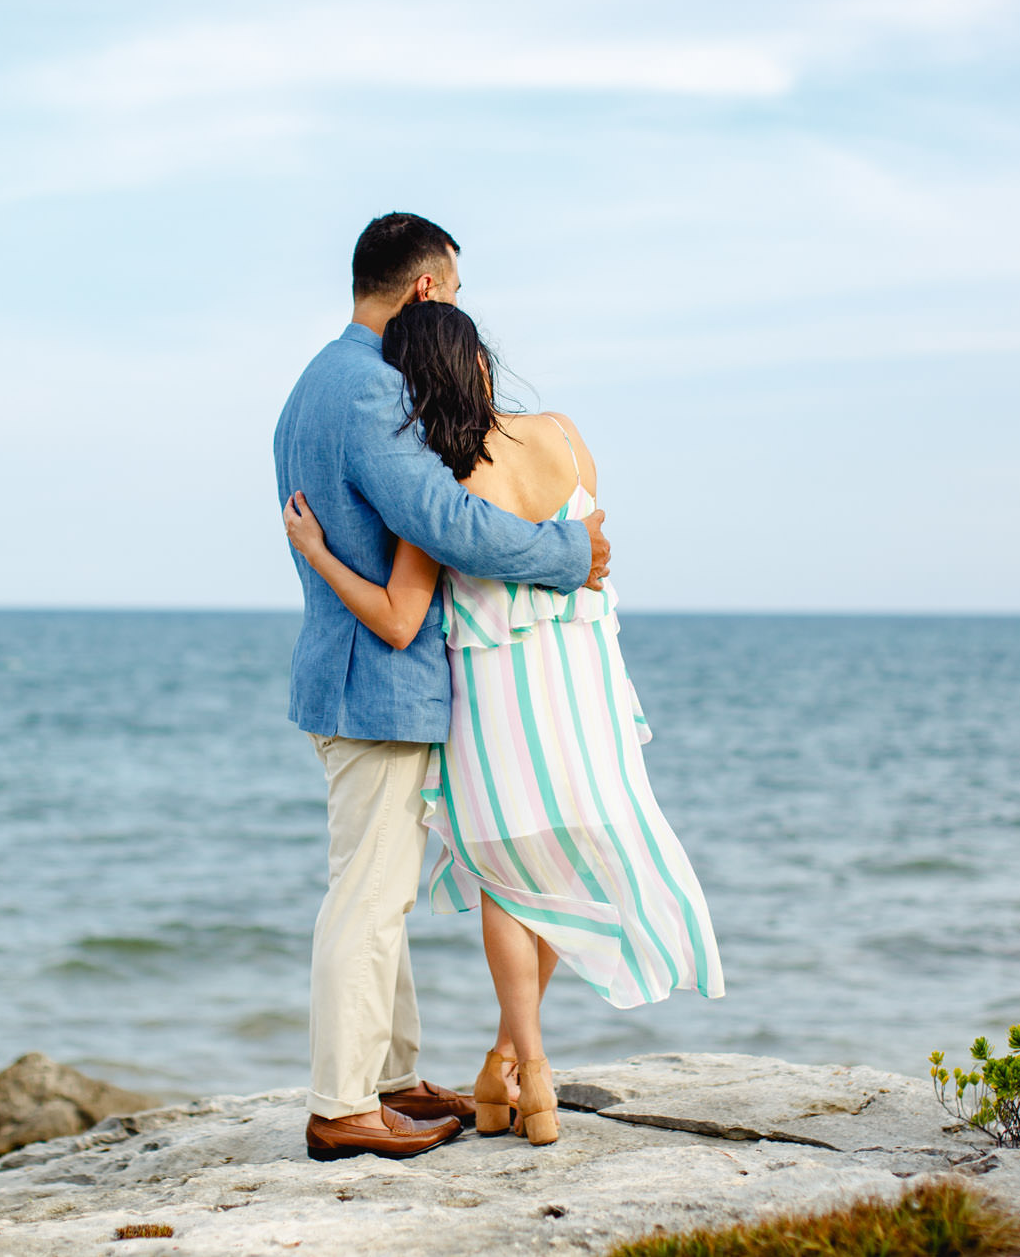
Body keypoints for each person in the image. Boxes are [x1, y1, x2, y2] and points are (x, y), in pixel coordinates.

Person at [283, 299, 723, 1149]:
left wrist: (318, 553)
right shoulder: (561, 434)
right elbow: (593, 539)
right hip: (587, 683)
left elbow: (402, 617)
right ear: (480, 361)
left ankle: (527, 1070)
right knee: (559, 857)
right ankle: (495, 1066)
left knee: (509, 878)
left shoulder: (444, 480)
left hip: (497, 699)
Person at [272, 213, 611, 1162]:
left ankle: (387, 1077)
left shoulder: (313, 384)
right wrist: (566, 550)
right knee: (370, 900)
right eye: (455, 294)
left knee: (379, 890)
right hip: (374, 683)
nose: (458, 311)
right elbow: (446, 518)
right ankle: (343, 1104)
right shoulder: (371, 391)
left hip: (345, 675)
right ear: (426, 289)